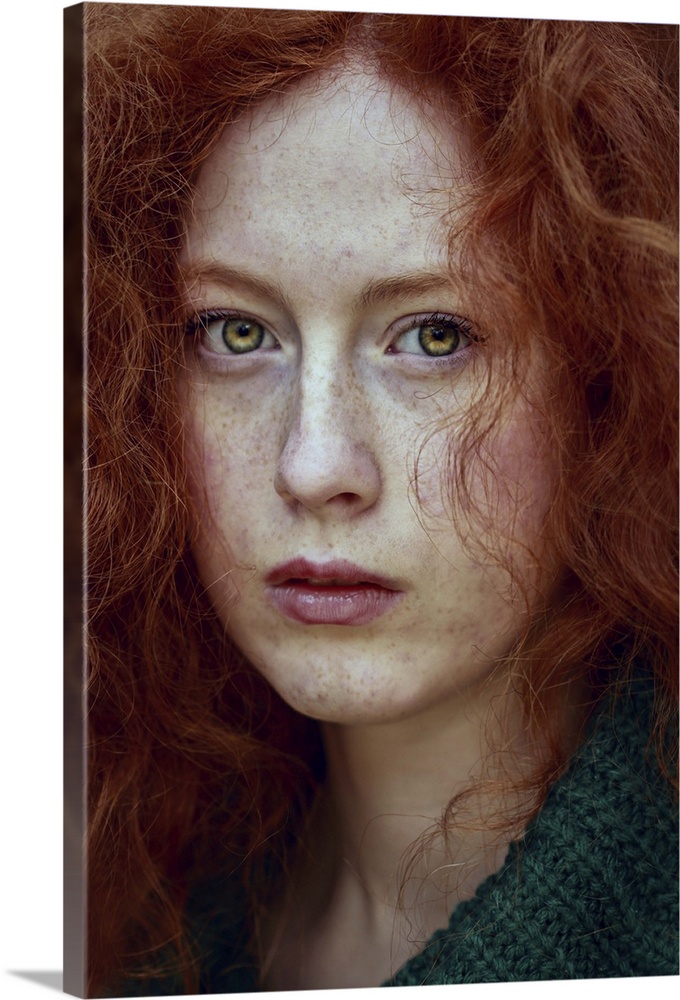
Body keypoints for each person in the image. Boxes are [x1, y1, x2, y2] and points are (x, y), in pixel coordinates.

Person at [82, 4, 678, 996]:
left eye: (433, 336)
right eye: (233, 333)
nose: (313, 466)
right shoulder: (117, 902)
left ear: (610, 374)